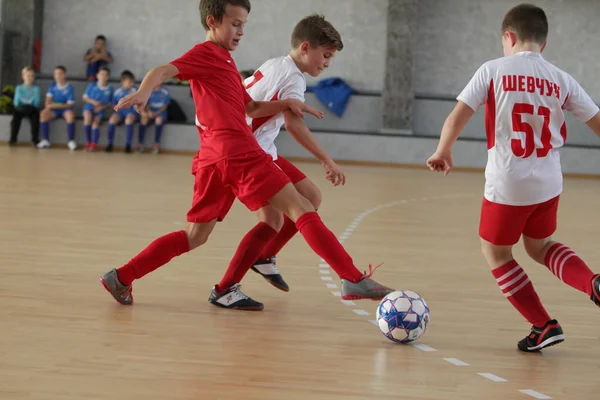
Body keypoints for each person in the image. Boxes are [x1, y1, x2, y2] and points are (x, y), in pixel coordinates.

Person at [100, 0, 394, 311]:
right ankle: (350, 277)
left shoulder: (228, 61)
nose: (241, 31)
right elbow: (163, 70)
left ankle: (122, 277)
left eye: (244, 25)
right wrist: (145, 90)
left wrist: (287, 105)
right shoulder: (206, 54)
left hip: (212, 158)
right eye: (235, 24)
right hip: (238, 151)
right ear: (212, 22)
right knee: (301, 206)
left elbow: (250, 108)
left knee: (195, 236)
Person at [426, 3, 600, 352]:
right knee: (541, 246)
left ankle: (543, 324)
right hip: (549, 181)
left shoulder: (493, 69)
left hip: (508, 182)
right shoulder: (561, 78)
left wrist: (444, 149)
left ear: (508, 37)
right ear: (544, 44)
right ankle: (593, 283)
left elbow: (456, 116)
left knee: (496, 252)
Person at [232, 13, 346, 292]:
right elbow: (294, 126)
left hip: (258, 146)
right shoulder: (294, 78)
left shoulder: (276, 63)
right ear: (305, 47)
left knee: (311, 196)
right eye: (326, 55)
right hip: (248, 153)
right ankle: (228, 284)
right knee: (275, 219)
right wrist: (327, 160)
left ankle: (263, 257)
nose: (328, 63)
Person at [38, 66, 77, 150]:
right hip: (54, 110)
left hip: (65, 109)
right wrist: (50, 106)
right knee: (43, 114)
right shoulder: (52, 86)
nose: (58, 76)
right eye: (56, 74)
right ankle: (46, 140)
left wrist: (55, 105)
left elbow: (69, 104)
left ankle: (71, 141)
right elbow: (47, 102)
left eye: (60, 74)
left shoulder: (70, 88)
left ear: (65, 75)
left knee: (70, 116)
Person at [82, 67, 114, 151]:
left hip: (100, 110)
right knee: (87, 117)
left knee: (95, 124)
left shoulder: (110, 89)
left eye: (105, 75)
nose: (103, 76)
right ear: (97, 76)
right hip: (89, 107)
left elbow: (111, 103)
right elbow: (85, 97)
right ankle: (88, 142)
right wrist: (93, 102)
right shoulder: (92, 85)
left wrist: (102, 107)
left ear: (108, 77)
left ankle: (94, 144)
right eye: (101, 74)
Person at [108, 70, 138, 153]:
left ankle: (128, 145)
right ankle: (110, 144)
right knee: (112, 120)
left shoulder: (135, 91)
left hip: (132, 112)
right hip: (120, 113)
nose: (131, 83)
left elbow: (137, 104)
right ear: (123, 81)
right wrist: (116, 109)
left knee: (129, 119)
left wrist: (133, 112)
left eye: (132, 81)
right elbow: (113, 105)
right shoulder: (117, 92)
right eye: (129, 81)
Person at [10, 66, 40, 146]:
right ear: (23, 76)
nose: (30, 78)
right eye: (28, 75)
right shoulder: (19, 88)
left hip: (32, 109)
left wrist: (28, 104)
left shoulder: (36, 89)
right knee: (15, 119)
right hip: (20, 109)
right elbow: (16, 102)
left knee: (35, 118)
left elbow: (36, 103)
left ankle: (35, 140)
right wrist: (23, 105)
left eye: (32, 76)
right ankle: (13, 139)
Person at [138, 85, 170, 153]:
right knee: (143, 119)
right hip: (150, 112)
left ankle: (156, 143)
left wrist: (156, 113)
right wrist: (149, 112)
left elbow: (165, 106)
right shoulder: (149, 91)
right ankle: (140, 144)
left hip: (160, 113)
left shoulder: (165, 92)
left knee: (158, 120)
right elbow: (146, 104)